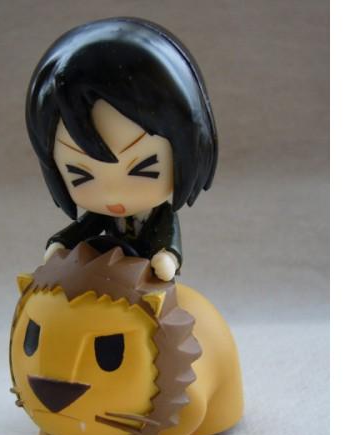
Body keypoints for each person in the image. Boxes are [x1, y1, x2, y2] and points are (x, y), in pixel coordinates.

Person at [25, 18, 218, 280]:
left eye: (144, 169)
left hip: (147, 280)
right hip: (107, 276)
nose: (114, 194)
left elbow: (168, 238)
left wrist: (167, 257)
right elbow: (82, 229)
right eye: (80, 175)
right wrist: (61, 243)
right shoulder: (101, 216)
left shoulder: (159, 216)